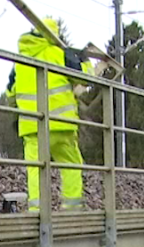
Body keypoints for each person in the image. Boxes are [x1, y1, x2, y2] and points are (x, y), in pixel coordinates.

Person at [6, 18, 92, 212]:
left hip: (32, 126)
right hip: (62, 125)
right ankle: (72, 208)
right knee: (71, 164)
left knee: (35, 168)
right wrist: (84, 61)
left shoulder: (20, 61)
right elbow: (86, 78)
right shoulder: (59, 54)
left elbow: (10, 94)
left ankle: (37, 211)